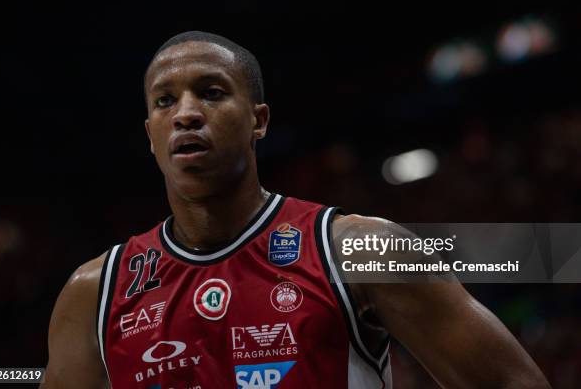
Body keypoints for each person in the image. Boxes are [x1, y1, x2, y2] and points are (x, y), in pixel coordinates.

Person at [41, 31, 551, 388]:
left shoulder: (359, 249)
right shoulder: (93, 294)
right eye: (164, 101)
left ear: (258, 121)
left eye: (212, 93)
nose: (187, 114)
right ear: (150, 134)